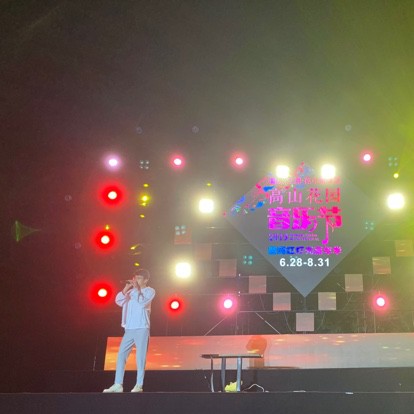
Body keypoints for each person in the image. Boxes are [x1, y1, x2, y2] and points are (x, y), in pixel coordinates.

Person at [103, 268, 155, 393]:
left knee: (140, 357)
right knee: (121, 355)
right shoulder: (131, 292)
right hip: (129, 328)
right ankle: (118, 384)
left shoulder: (150, 291)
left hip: (142, 327)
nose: (136, 280)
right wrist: (126, 288)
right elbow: (119, 301)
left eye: (139, 278)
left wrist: (136, 289)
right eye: (135, 278)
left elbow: (142, 302)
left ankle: (139, 385)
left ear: (146, 280)